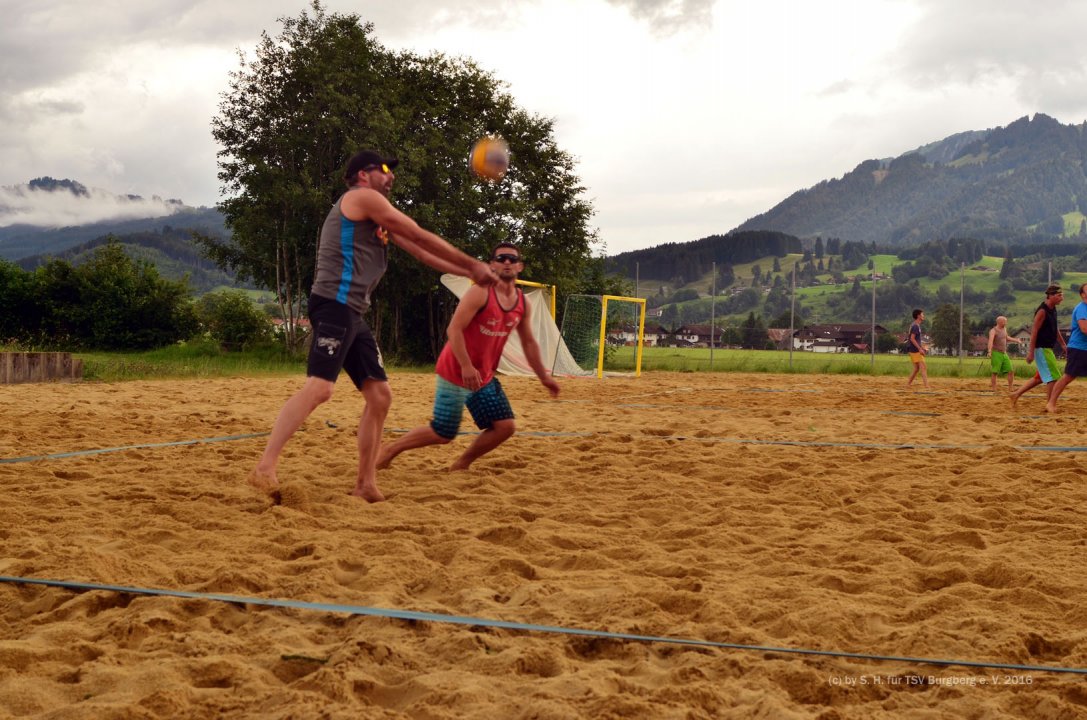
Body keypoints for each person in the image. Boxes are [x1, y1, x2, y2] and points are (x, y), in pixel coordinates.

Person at [250, 150, 497, 502]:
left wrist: (467, 271)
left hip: (352, 313)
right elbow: (418, 232)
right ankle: (265, 466)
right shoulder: (361, 198)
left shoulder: (375, 216)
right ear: (362, 175)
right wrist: (473, 266)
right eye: (384, 169)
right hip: (334, 306)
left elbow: (420, 251)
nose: (391, 176)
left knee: (380, 396)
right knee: (320, 389)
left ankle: (365, 483)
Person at [377, 242, 560, 472]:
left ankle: (461, 464)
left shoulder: (522, 303)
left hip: (483, 375)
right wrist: (465, 365)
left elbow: (529, 342)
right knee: (443, 433)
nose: (506, 262)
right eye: (501, 258)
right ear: (492, 265)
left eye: (512, 259)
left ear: (519, 266)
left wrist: (544, 377)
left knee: (505, 427)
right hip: (456, 370)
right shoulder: (480, 292)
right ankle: (391, 449)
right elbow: (453, 329)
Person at [1010, 284, 1068, 410]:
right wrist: (1030, 352)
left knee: (1040, 377)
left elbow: (1055, 328)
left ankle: (1016, 394)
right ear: (1051, 296)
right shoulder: (1042, 311)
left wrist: (1063, 344)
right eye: (1059, 295)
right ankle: (1050, 404)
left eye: (1062, 295)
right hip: (1041, 348)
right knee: (1053, 377)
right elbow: (1034, 331)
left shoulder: (1052, 308)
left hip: (1047, 348)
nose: (1062, 298)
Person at [1044, 284, 1087, 413]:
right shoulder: (1082, 308)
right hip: (1079, 348)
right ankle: (1051, 403)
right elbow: (1084, 329)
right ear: (1083, 294)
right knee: (1068, 376)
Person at [986, 315, 1021, 391]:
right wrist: (989, 351)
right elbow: (990, 341)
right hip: (996, 353)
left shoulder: (1004, 329)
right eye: (1005, 321)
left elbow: (1006, 337)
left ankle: (1011, 388)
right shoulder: (993, 331)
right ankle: (994, 389)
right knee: (995, 372)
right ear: (1000, 322)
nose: (1006, 323)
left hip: (1004, 353)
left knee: (1011, 371)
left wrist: (1016, 340)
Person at [905, 308, 929, 389]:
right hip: (915, 350)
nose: (923, 316)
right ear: (918, 316)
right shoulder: (915, 326)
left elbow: (916, 339)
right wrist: (920, 349)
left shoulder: (915, 325)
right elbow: (912, 338)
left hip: (913, 349)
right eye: (922, 314)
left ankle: (908, 384)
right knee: (923, 367)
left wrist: (922, 347)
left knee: (916, 369)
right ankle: (926, 386)